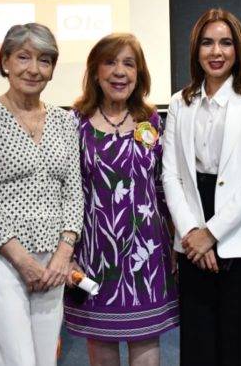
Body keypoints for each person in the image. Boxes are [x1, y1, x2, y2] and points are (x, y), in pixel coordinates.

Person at [161, 8, 241, 365]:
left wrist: (211, 233)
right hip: (192, 232)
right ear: (196, 50)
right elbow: (171, 176)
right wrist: (192, 233)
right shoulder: (180, 102)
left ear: (238, 48)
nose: (216, 52)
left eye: (225, 43)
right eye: (207, 43)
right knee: (199, 341)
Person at [0, 23, 84, 366]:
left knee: (45, 358)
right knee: (14, 359)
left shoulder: (65, 122)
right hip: (2, 260)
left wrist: (63, 253)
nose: (34, 69)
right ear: (4, 61)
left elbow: (73, 192)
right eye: (23, 57)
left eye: (45, 60)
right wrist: (22, 261)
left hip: (53, 262)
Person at [64, 33, 178, 366]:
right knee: (102, 348)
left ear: (139, 74)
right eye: (110, 62)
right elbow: (68, 192)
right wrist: (68, 252)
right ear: (95, 72)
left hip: (147, 254)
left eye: (129, 63)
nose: (119, 72)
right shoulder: (76, 124)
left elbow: (161, 186)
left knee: (147, 343)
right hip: (94, 254)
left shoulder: (152, 120)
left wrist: (174, 241)